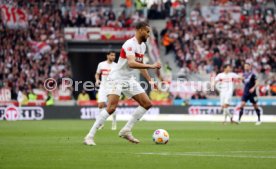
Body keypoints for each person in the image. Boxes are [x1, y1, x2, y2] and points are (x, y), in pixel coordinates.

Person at [84, 21, 161, 146]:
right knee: (111, 108)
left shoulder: (142, 46)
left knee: (147, 103)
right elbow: (131, 63)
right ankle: (89, 136)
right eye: (147, 32)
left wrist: (150, 80)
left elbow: (140, 66)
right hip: (116, 78)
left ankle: (126, 130)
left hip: (128, 78)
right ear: (140, 30)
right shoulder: (129, 44)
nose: (148, 34)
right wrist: (152, 65)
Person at [95, 51, 117, 130]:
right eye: (112, 55)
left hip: (112, 87)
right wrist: (97, 80)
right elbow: (97, 74)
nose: (113, 57)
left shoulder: (116, 66)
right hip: (103, 87)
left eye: (114, 55)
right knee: (100, 105)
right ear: (107, 56)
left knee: (111, 106)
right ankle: (101, 123)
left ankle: (114, 122)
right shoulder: (101, 64)